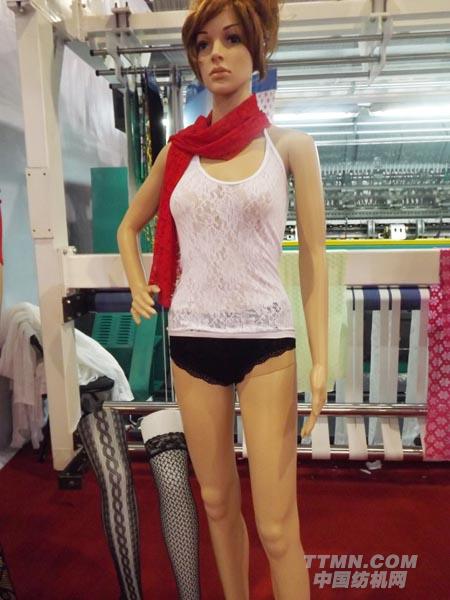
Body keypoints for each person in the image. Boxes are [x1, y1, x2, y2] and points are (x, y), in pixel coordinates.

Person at [117, 1, 328, 598]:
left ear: (256, 49)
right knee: (215, 502)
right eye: (204, 43)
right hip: (192, 341)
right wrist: (136, 282)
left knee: (278, 527)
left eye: (232, 39)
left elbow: (315, 257)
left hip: (267, 345)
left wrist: (320, 358)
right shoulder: (178, 153)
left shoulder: (290, 147)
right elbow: (129, 226)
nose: (217, 54)